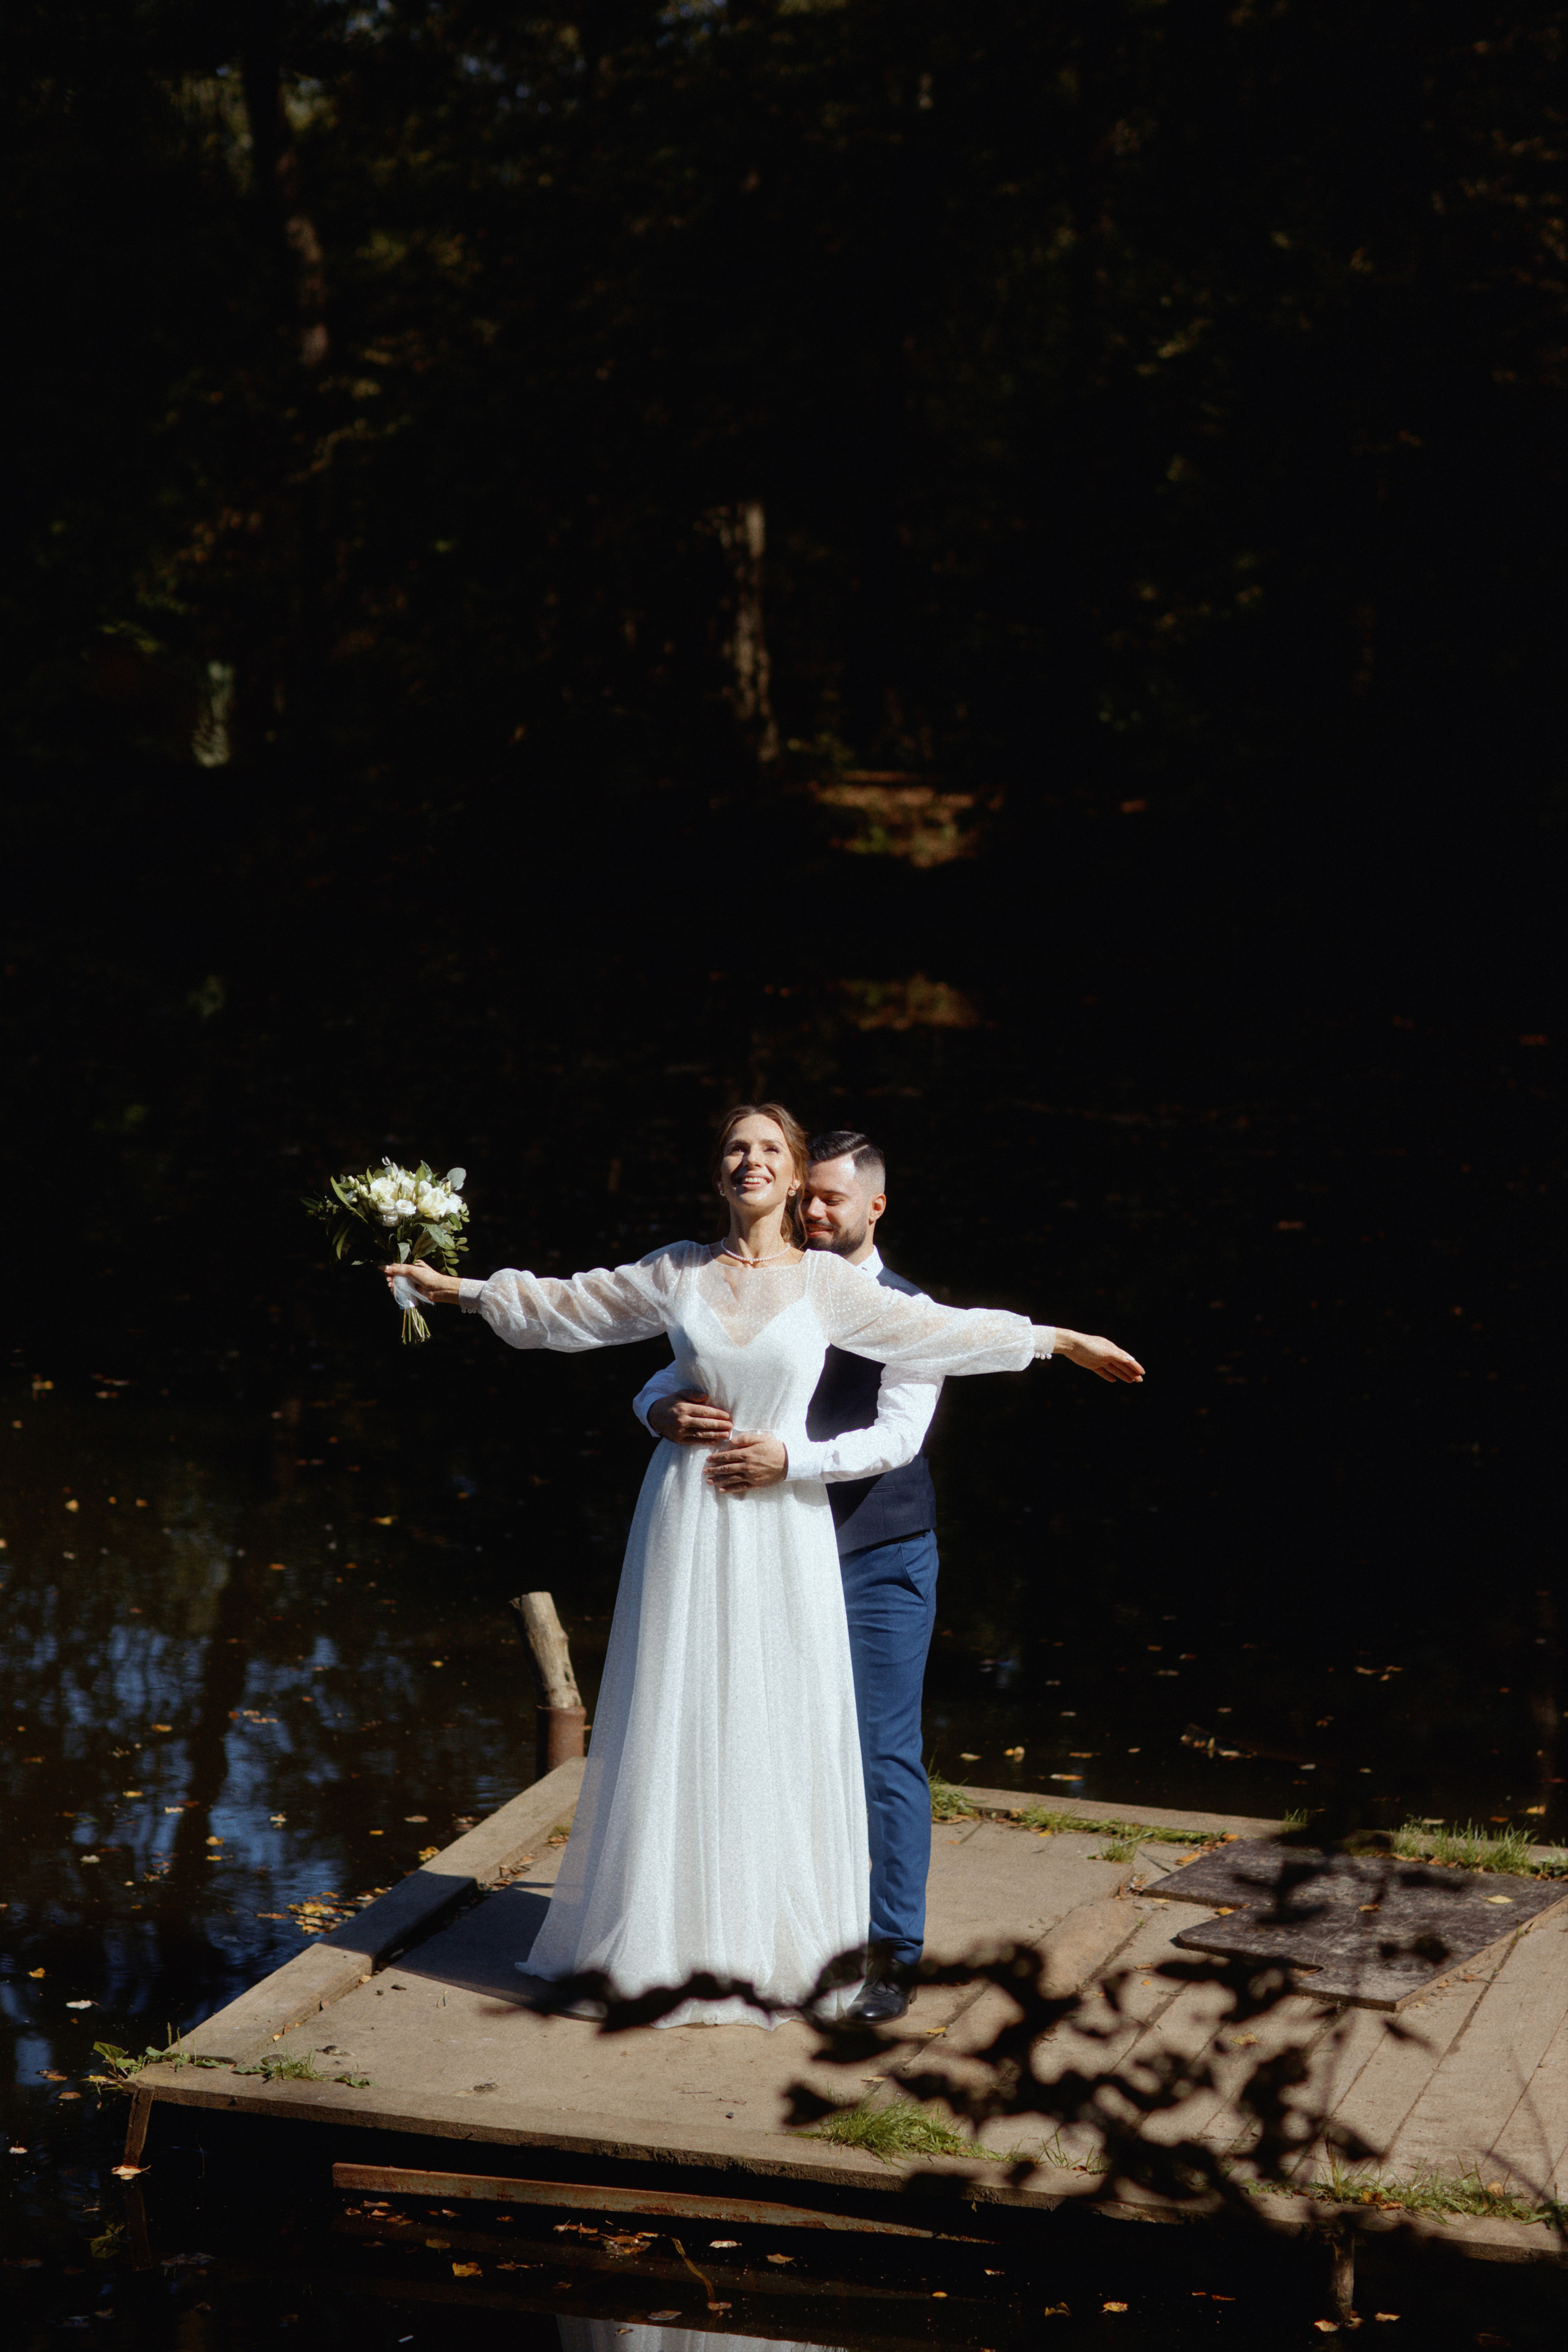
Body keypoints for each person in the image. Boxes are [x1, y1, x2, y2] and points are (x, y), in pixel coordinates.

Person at [386, 1104, 1144, 2029]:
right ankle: (668, 1935)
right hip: (688, 1517)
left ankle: (837, 1947)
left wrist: (1057, 1340)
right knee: (682, 1712)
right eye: (736, 1148)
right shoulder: (678, 1270)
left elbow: (940, 1334)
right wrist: (453, 1290)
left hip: (792, 1528)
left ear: (794, 1177)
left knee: (800, 1730)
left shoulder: (829, 1284)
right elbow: (568, 1306)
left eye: (771, 1150)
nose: (753, 1161)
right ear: (720, 1174)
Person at [634, 1129, 1139, 2021]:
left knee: (879, 1752)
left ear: (876, 1206)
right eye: (807, 1195)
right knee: (763, 1740)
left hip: (877, 1555)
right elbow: (682, 1364)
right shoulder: (769, 1280)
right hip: (765, 1552)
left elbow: (897, 1439)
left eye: (832, 1198)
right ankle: (778, 1934)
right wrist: (656, 1407)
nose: (812, 1212)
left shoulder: (908, 1310)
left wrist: (789, 1460)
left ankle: (894, 1956)